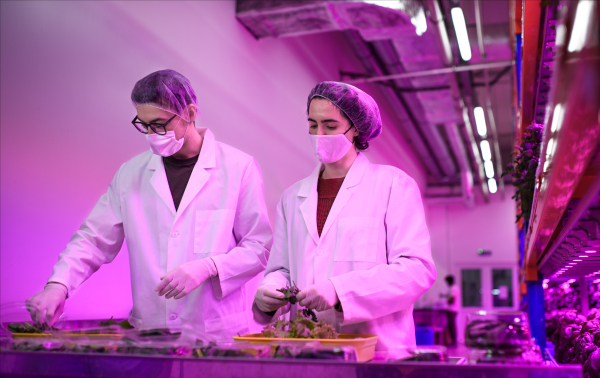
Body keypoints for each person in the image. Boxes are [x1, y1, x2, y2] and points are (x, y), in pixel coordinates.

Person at [26, 69, 273, 340]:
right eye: (144, 125)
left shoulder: (238, 168)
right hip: (151, 330)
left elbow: (258, 247)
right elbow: (93, 239)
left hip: (215, 332)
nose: (151, 134)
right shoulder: (131, 173)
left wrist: (209, 267)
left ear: (190, 113)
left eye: (159, 124)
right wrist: (58, 286)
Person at [252, 81, 436, 358]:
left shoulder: (393, 185)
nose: (319, 134)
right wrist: (269, 290)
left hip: (377, 351)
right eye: (312, 124)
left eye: (330, 125)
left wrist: (341, 291)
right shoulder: (292, 197)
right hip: (308, 351)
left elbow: (416, 270)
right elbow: (283, 269)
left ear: (357, 128)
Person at [442, 274, 460, 345]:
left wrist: (447, 301)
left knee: (452, 326)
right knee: (450, 325)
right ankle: (452, 340)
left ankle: (454, 341)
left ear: (449, 281)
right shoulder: (453, 288)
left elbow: (452, 299)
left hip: (452, 310)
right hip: (452, 309)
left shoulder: (454, 288)